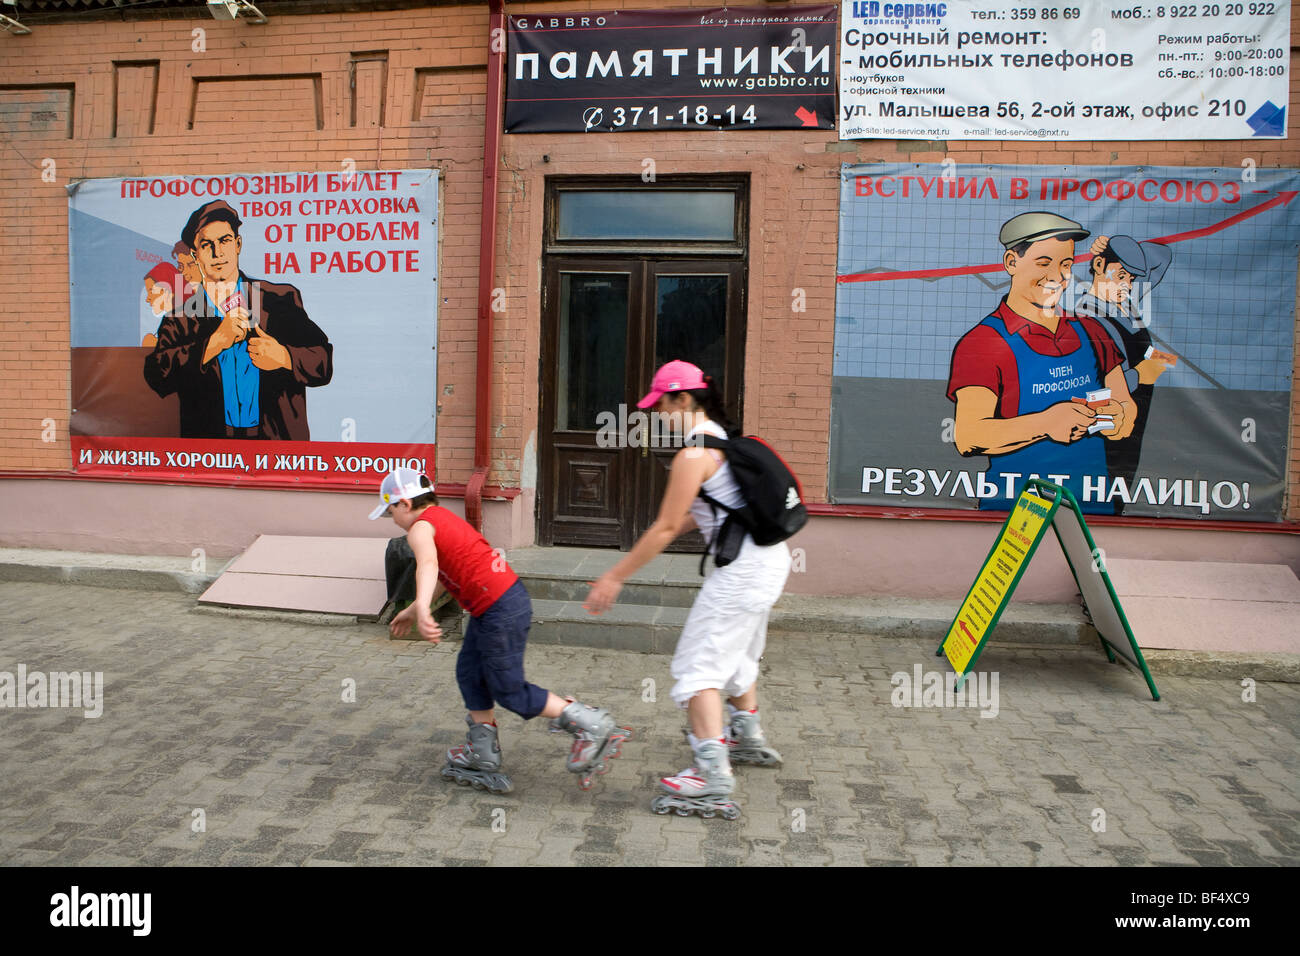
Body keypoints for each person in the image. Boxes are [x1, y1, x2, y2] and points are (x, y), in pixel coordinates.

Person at [584, 361, 791, 820]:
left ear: (682, 400)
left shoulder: (694, 455)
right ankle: (746, 737)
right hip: (768, 564)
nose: (656, 415)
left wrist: (615, 576)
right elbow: (695, 517)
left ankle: (712, 773)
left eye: (659, 405)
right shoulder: (723, 439)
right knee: (736, 655)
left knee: (697, 667)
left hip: (742, 573)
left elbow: (663, 527)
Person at [371, 467, 629, 794]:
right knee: (469, 672)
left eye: (390, 510)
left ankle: (589, 724)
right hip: (500, 604)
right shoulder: (441, 518)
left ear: (405, 503)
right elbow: (443, 572)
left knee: (508, 689)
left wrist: (422, 606)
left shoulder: (419, 529)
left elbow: (428, 565)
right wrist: (413, 607)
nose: (391, 518)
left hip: (499, 610)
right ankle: (482, 751)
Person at [947, 212, 1136, 514]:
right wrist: (1047, 423)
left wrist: (1118, 419)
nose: (1057, 277)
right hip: (1014, 511)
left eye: (1066, 265)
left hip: (1092, 508)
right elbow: (969, 437)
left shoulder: (1091, 330)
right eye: (1043, 263)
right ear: (1011, 262)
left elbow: (1126, 408)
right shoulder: (984, 342)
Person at [143, 199, 332, 440]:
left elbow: (323, 362)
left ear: (238, 244)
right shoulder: (180, 317)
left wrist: (283, 356)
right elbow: (157, 376)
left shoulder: (279, 300)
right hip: (212, 453)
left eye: (225, 241)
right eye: (206, 244)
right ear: (195, 254)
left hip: (277, 450)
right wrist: (214, 343)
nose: (217, 252)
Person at [1074, 235, 1175, 514]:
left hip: (1137, 413)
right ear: (1098, 264)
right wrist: (1139, 376)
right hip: (1110, 420)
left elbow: (1162, 257)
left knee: (1125, 479)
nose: (1126, 284)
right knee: (1108, 486)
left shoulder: (1125, 305)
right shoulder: (1087, 318)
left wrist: (1164, 361)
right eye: (1120, 275)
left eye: (1130, 279)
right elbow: (1089, 383)